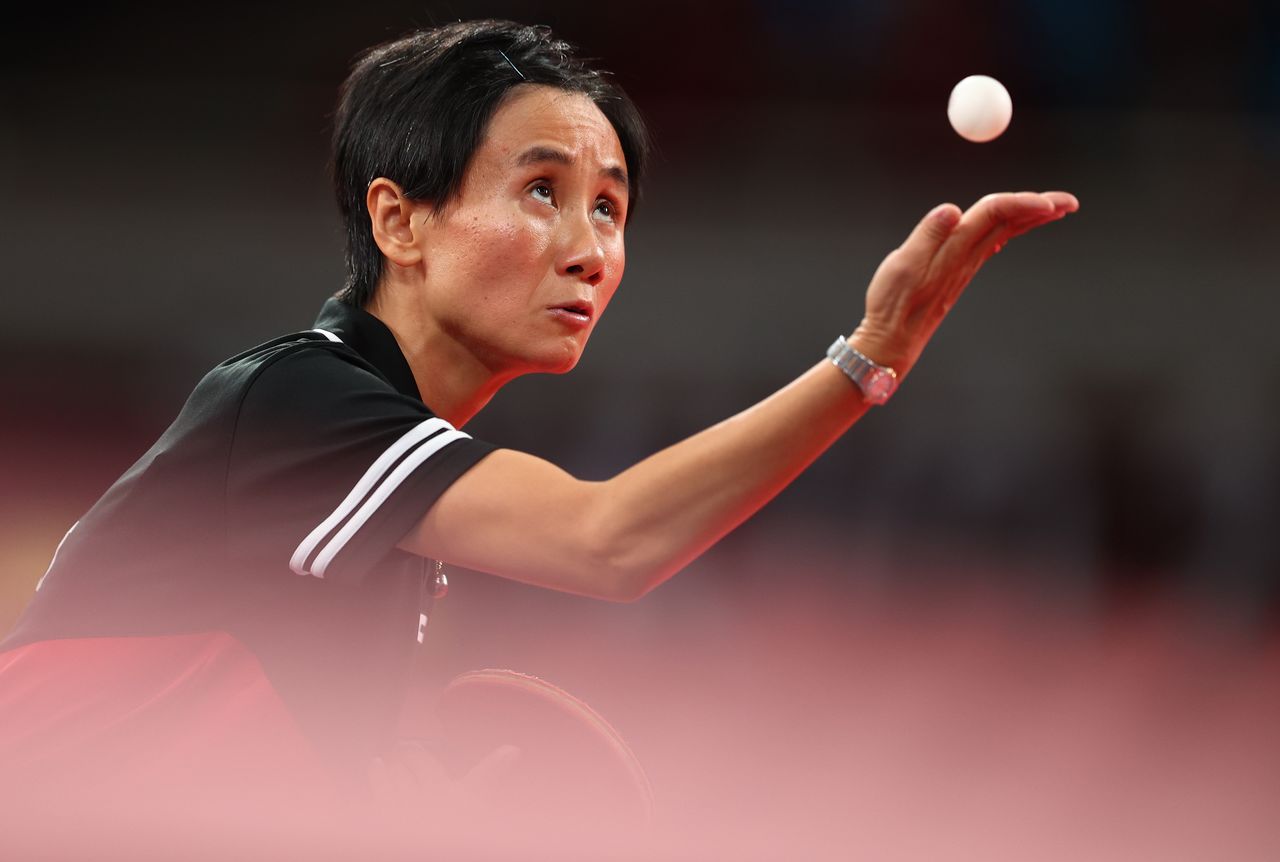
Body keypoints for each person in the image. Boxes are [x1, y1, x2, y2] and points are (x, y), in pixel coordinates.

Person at [0, 17, 1077, 830]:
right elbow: (607, 540)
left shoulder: (388, 522)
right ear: (400, 220)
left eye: (608, 206)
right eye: (540, 191)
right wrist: (866, 359)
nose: (587, 246)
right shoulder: (292, 402)